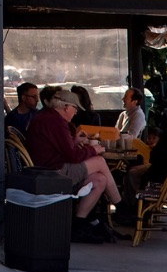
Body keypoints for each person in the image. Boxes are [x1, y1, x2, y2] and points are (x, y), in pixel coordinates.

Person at [25, 88, 120, 242]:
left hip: (44, 168)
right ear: (66, 107)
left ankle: (78, 223)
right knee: (100, 161)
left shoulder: (46, 117)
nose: (76, 112)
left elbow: (60, 148)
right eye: (75, 108)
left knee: (100, 179)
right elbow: (73, 156)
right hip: (53, 172)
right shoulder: (56, 122)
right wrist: (93, 149)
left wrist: (74, 142)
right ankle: (120, 206)